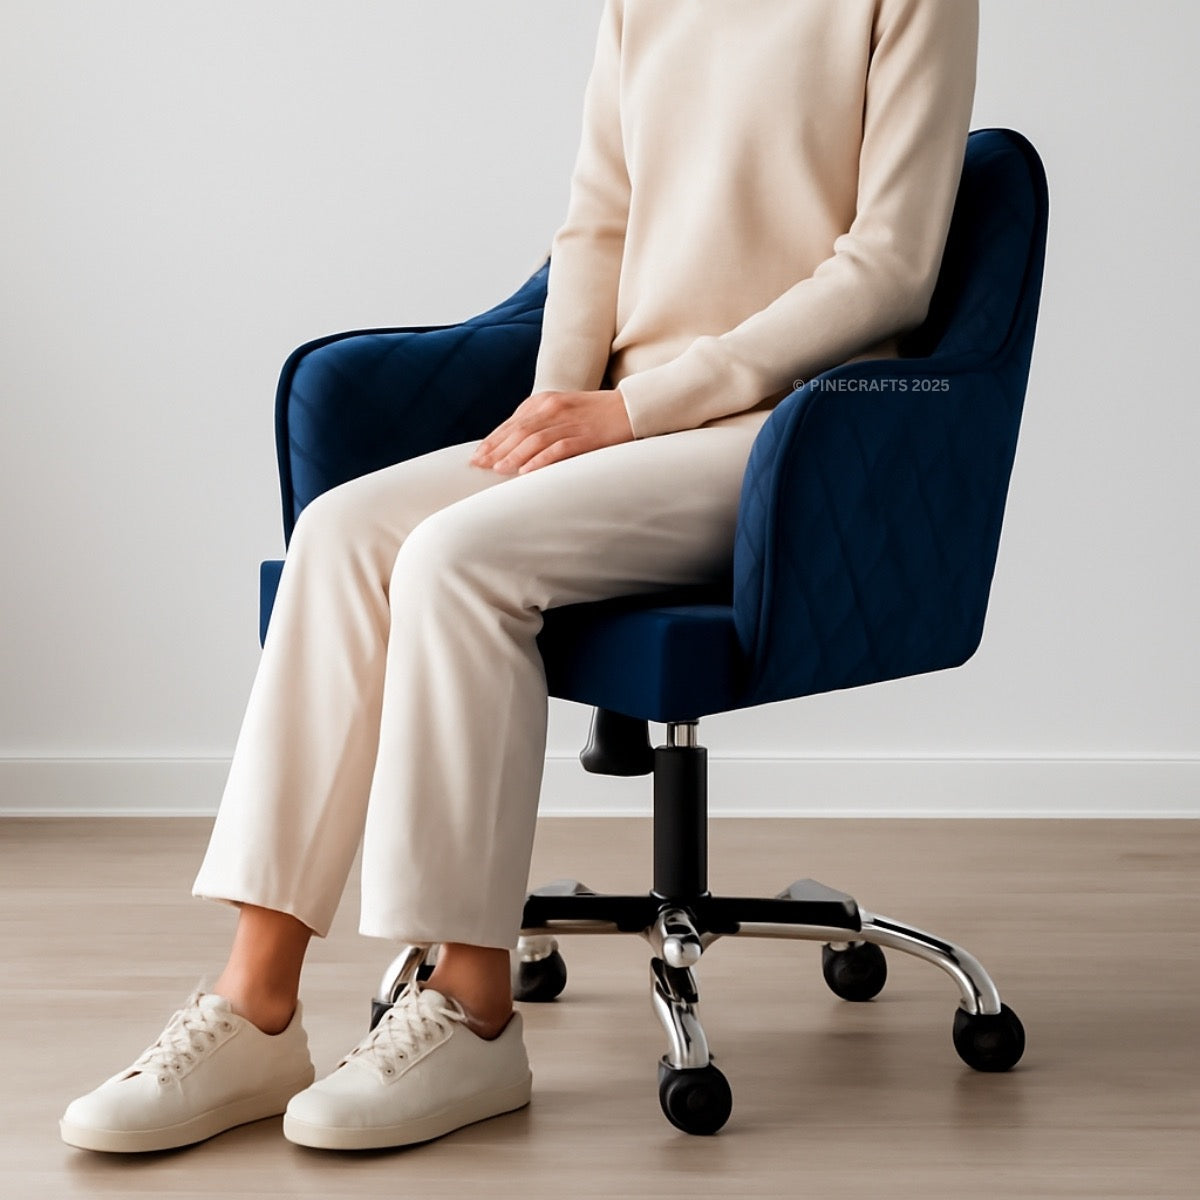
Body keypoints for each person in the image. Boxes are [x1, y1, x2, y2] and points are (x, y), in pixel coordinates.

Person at [60, 0, 978, 1153]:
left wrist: (641, 408)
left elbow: (889, 270)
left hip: (788, 437)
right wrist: (554, 412)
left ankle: (473, 1010)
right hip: (617, 416)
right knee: (344, 533)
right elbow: (596, 228)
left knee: (459, 555)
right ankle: (256, 1003)